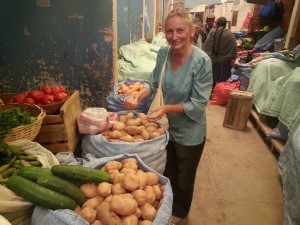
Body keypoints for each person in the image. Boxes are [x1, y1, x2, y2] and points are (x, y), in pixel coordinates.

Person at [124, 7, 213, 224]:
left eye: (180, 30)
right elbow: (153, 83)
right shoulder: (164, 53)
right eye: (170, 31)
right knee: (167, 170)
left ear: (192, 31)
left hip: (190, 130)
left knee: (184, 176)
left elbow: (199, 103)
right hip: (163, 128)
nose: (174, 37)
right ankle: (166, 204)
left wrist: (166, 109)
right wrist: (139, 94)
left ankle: (180, 212)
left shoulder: (201, 61)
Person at [203, 16, 237, 86]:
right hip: (224, 63)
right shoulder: (229, 34)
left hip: (212, 62)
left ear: (217, 23)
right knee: (222, 82)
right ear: (225, 24)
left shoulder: (212, 32)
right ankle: (219, 92)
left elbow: (206, 46)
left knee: (211, 81)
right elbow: (234, 47)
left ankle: (212, 93)